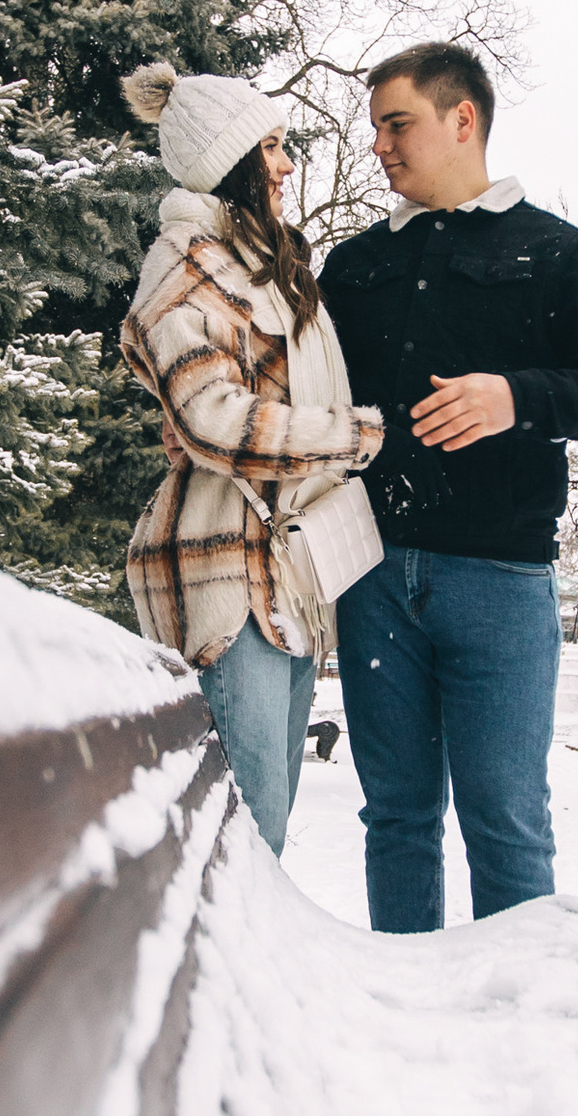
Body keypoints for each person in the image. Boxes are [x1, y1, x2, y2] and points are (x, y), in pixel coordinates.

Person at [324, 42, 578, 931]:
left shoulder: (552, 253)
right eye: (375, 129)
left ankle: (521, 1034)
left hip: (500, 585)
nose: (380, 147)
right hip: (369, 577)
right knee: (396, 819)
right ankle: (408, 1011)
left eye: (397, 124)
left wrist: (517, 395)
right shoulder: (354, 268)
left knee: (506, 828)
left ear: (462, 119)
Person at [117, 63, 384, 856]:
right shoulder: (185, 267)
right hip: (225, 579)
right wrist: (351, 435)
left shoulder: (265, 267)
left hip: (290, 581)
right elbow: (213, 420)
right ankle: (220, 982)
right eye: (271, 146)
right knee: (244, 837)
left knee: (264, 826)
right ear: (228, 161)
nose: (287, 163)